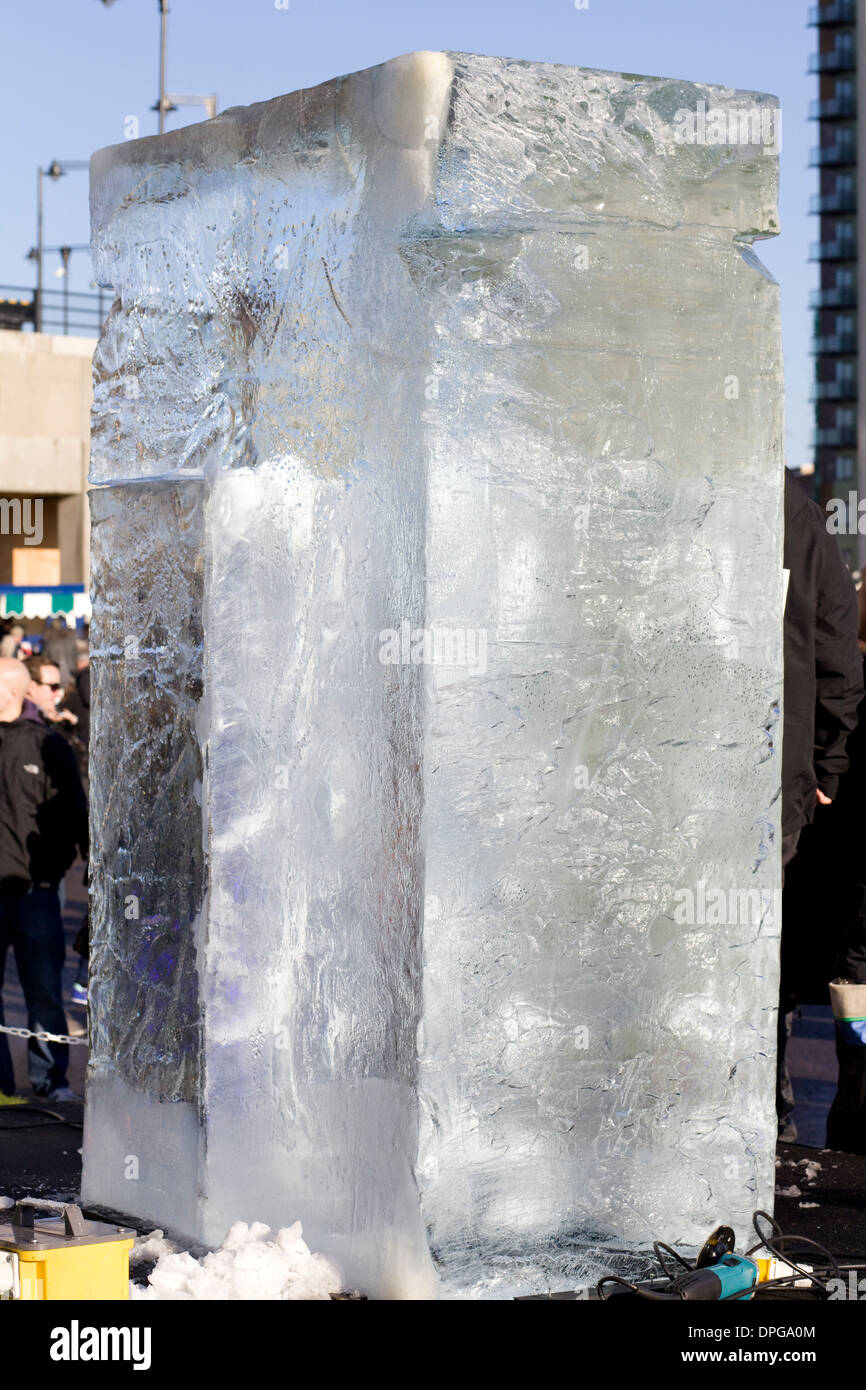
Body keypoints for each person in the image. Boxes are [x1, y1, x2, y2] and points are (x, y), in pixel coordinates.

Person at [778, 471, 864, 1141]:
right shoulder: (801, 519)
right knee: (767, 939)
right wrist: (825, 765)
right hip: (778, 776)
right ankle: (775, 1099)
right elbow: (839, 653)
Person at [0, 658, 88, 1101]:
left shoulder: (48, 746)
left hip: (36, 894)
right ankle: (2, 1085)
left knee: (44, 993)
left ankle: (50, 1080)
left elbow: (74, 813)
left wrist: (52, 874)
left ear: (11, 692)